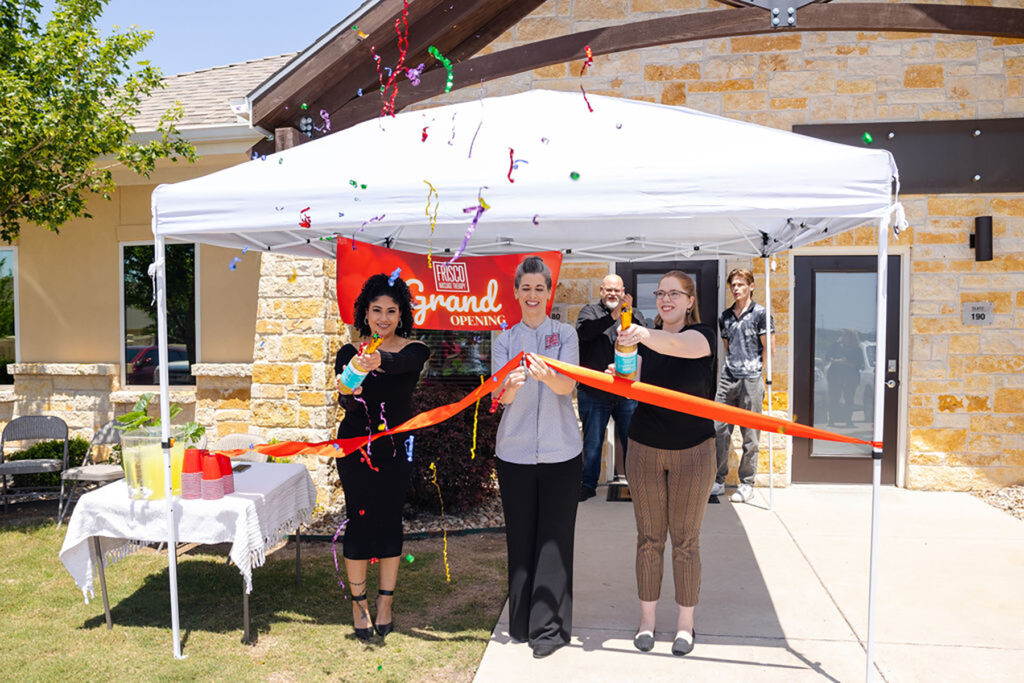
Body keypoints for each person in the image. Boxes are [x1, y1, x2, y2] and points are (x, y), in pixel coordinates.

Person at [617, 270, 716, 657]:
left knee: (686, 542)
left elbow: (679, 347)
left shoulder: (703, 336)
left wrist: (642, 334)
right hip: (644, 448)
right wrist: (619, 374)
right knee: (649, 539)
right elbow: (632, 380)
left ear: (690, 301)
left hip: (694, 451)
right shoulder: (646, 343)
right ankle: (647, 621)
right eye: (660, 293)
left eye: (674, 293)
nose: (665, 299)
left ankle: (685, 626)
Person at [491, 255, 583, 659]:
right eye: (525, 288)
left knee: (555, 539)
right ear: (515, 292)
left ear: (549, 292)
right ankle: (522, 622)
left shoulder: (565, 335)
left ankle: (550, 628)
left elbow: (568, 387)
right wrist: (508, 386)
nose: (532, 295)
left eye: (539, 288)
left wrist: (546, 374)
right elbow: (500, 397)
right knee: (521, 536)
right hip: (514, 454)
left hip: (562, 452)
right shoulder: (504, 338)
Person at [335, 273, 430, 640]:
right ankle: (358, 605)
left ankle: (385, 603)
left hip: (397, 446)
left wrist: (377, 361)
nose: (384, 318)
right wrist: (354, 373)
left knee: (390, 520)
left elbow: (403, 364)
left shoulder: (415, 348)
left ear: (401, 313)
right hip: (355, 445)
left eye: (392, 310)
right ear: (366, 312)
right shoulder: (348, 352)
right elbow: (345, 396)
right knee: (359, 520)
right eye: (377, 310)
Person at [575, 274, 648, 501]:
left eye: (617, 290)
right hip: (593, 391)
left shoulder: (634, 315)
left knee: (632, 440)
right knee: (593, 442)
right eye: (609, 290)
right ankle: (587, 485)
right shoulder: (589, 312)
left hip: (626, 391)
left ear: (623, 291)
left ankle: (638, 485)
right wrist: (615, 316)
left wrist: (629, 316)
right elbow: (585, 332)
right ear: (601, 290)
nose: (613, 294)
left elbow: (646, 342)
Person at [711, 268, 774, 504]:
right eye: (733, 285)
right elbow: (727, 346)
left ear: (751, 286)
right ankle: (718, 480)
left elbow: (769, 347)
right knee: (719, 430)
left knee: (751, 435)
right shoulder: (725, 316)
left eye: (740, 284)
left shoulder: (761, 314)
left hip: (752, 379)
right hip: (728, 378)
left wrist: (762, 376)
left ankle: (747, 483)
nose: (736, 289)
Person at [826, 328, 862, 427]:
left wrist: (845, 362)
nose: (845, 337)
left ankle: (848, 421)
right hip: (835, 376)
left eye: (848, 335)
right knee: (834, 398)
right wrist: (836, 360)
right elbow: (828, 357)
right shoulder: (835, 346)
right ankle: (831, 420)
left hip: (851, 377)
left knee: (849, 400)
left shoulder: (857, 349)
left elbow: (858, 364)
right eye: (844, 335)